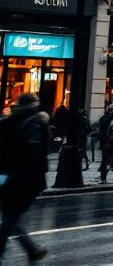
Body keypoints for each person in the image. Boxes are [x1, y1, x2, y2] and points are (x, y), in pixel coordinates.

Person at [0, 93, 49, 263]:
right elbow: (35, 151)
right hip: (23, 178)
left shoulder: (10, 121)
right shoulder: (35, 123)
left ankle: (31, 250)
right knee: (10, 217)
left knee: (10, 216)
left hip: (9, 176)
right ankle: (31, 250)